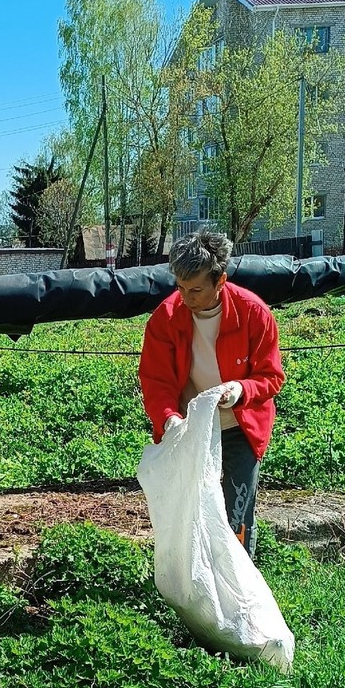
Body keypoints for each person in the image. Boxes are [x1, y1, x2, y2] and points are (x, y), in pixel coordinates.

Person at [138, 230, 284, 558]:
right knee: (190, 508)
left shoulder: (253, 313)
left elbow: (271, 377)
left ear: (220, 281)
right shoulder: (166, 317)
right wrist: (169, 420)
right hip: (190, 429)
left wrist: (241, 389)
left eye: (196, 290)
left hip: (240, 427)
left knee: (239, 512)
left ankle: (240, 583)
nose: (186, 298)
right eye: (180, 287)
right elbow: (155, 380)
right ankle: (197, 580)